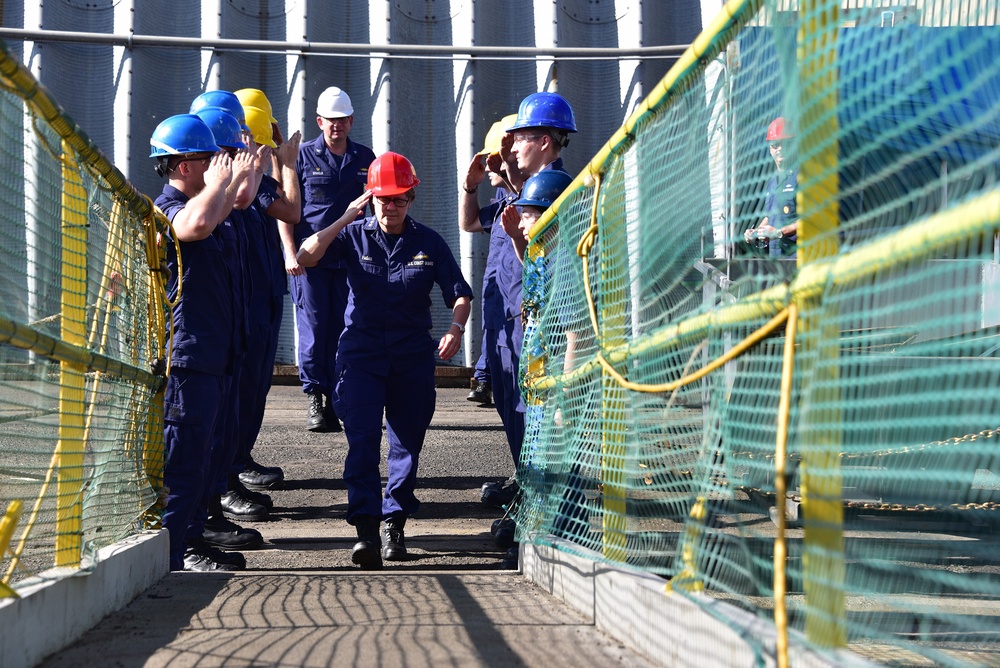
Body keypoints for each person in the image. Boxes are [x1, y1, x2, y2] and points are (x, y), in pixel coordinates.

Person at [297, 152, 472, 570]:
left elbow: (460, 293)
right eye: (382, 200)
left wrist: (456, 328)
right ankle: (366, 530)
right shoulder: (353, 234)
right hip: (361, 356)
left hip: (411, 359)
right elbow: (306, 257)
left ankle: (395, 521)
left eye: (398, 200)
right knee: (361, 442)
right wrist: (343, 218)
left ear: (411, 198)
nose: (390, 208)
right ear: (369, 198)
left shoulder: (429, 242)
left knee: (406, 443)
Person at [460, 93, 576, 511]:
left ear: (545, 141)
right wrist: (483, 182)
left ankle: (542, 496)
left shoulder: (555, 192)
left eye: (521, 138)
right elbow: (472, 222)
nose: (512, 147)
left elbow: (546, 268)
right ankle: (526, 480)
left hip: (536, 324)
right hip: (506, 314)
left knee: (536, 417)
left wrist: (511, 184)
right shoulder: (517, 192)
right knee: (513, 409)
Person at [150, 113, 253, 571]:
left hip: (214, 355)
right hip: (187, 360)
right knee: (185, 463)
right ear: (181, 165)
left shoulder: (206, 201)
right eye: (207, 158)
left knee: (206, 456)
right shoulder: (167, 207)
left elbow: (225, 210)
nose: (217, 165)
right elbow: (190, 228)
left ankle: (191, 539)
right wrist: (219, 187)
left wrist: (238, 181)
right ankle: (174, 553)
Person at [283, 86, 376, 433]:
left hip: (350, 260)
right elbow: (286, 210)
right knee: (314, 329)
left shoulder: (366, 159)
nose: (336, 126)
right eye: (329, 121)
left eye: (342, 120)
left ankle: (339, 399)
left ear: (351, 121)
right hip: (310, 261)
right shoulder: (302, 158)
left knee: (344, 329)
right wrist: (289, 252)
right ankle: (315, 398)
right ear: (319, 121)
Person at [230, 98, 303, 496]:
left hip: (263, 299)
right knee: (241, 389)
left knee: (255, 386)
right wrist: (287, 162)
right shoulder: (248, 186)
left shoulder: (258, 182)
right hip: (248, 305)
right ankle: (232, 467)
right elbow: (292, 211)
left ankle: (239, 458)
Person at [743, 117, 799, 258]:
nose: (780, 149)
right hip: (777, 259)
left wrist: (779, 233)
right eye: (775, 144)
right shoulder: (773, 181)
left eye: (785, 144)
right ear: (770, 149)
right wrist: (757, 232)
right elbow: (771, 216)